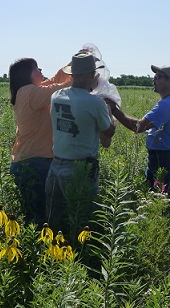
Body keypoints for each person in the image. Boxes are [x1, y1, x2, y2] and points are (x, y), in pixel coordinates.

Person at [45, 52, 116, 235]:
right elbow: (107, 132)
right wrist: (110, 115)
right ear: (90, 75)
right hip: (81, 170)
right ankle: (79, 257)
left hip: (55, 166)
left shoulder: (56, 96)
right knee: (81, 219)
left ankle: (55, 255)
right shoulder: (96, 103)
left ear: (72, 74)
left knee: (55, 219)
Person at [9, 58, 71, 225]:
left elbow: (54, 81)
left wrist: (73, 63)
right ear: (27, 75)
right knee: (41, 216)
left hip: (27, 160)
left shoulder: (28, 92)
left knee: (35, 212)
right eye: (36, 68)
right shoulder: (30, 92)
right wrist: (81, 75)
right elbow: (60, 87)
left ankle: (35, 247)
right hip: (34, 162)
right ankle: (42, 248)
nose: (40, 70)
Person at [110, 65, 170, 193]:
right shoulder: (168, 101)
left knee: (159, 201)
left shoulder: (167, 104)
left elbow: (138, 127)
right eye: (154, 77)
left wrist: (114, 110)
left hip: (165, 161)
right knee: (155, 197)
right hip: (160, 158)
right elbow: (147, 128)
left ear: (169, 81)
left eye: (158, 77)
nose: (153, 81)